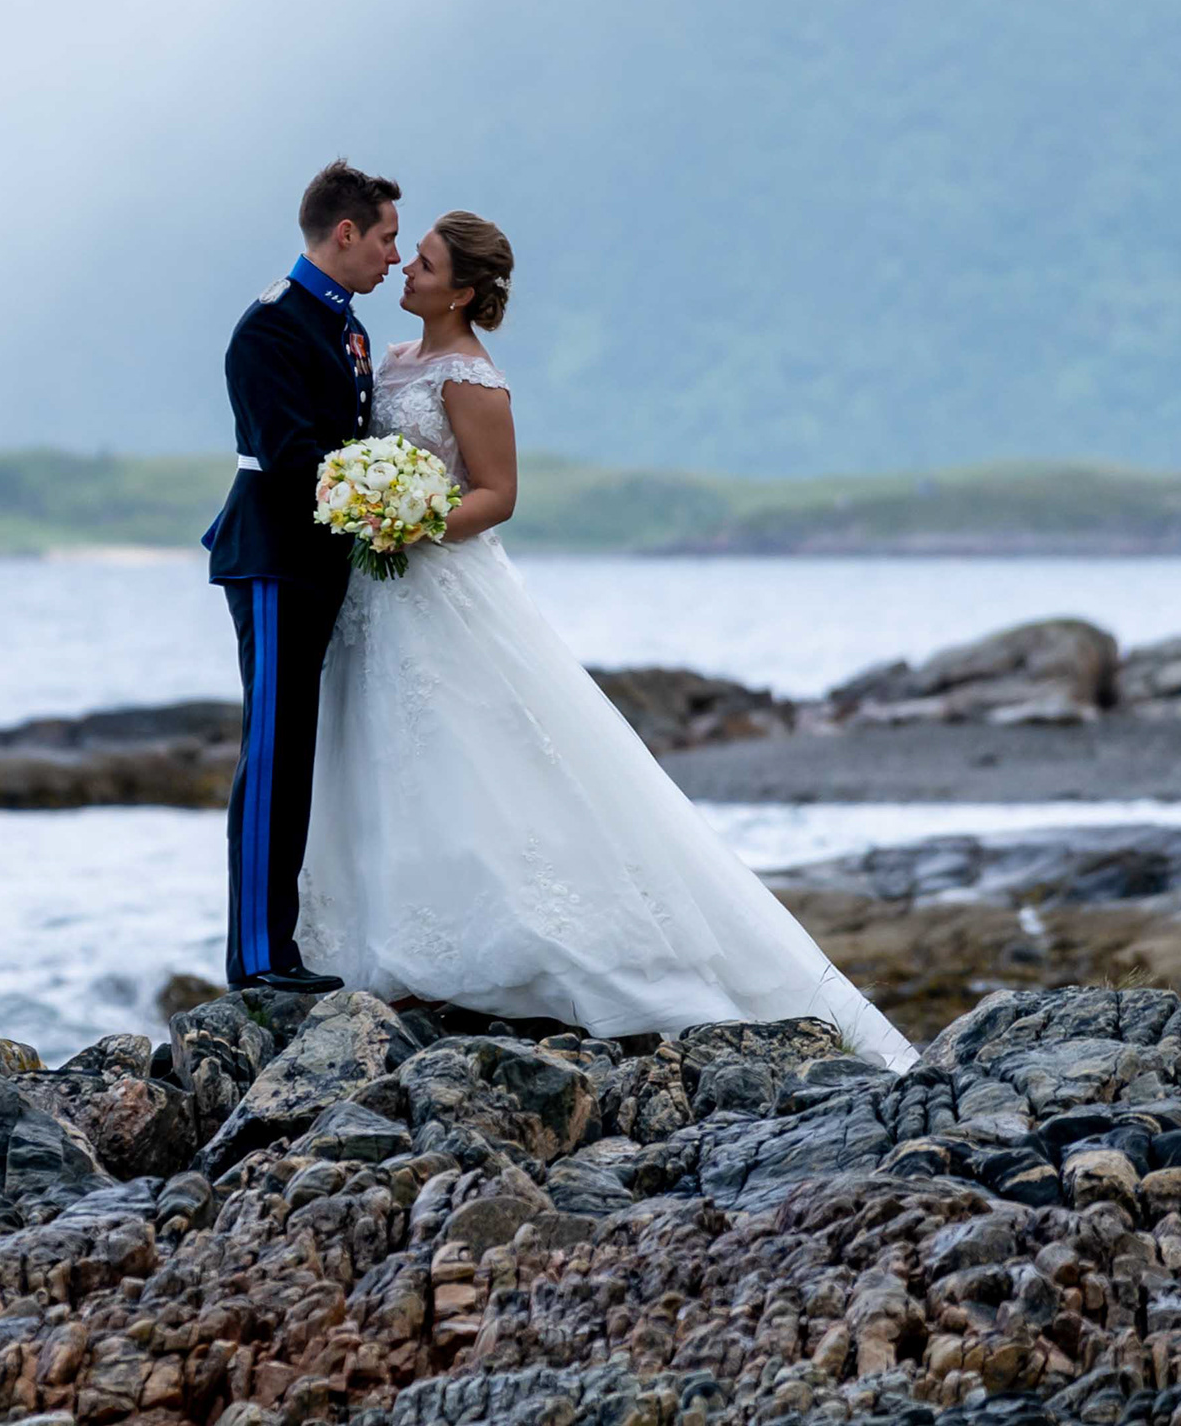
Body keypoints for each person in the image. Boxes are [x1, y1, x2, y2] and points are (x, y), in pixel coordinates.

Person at [297, 209, 917, 1066]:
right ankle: (385, 940)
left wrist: (411, 520)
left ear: (463, 292)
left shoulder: (473, 378)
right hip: (376, 593)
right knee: (378, 752)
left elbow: (497, 495)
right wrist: (366, 510)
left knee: (463, 750)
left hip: (437, 583)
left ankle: (488, 950)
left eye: (426, 264)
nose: (407, 268)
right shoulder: (390, 355)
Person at [201, 158, 400, 993]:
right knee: (274, 753)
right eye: (386, 238)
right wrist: (385, 497)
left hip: (318, 559)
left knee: (297, 750)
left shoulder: (343, 324)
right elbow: (290, 458)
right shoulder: (272, 326)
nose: (394, 256)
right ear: (345, 233)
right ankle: (256, 957)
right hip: (277, 557)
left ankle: (278, 945)